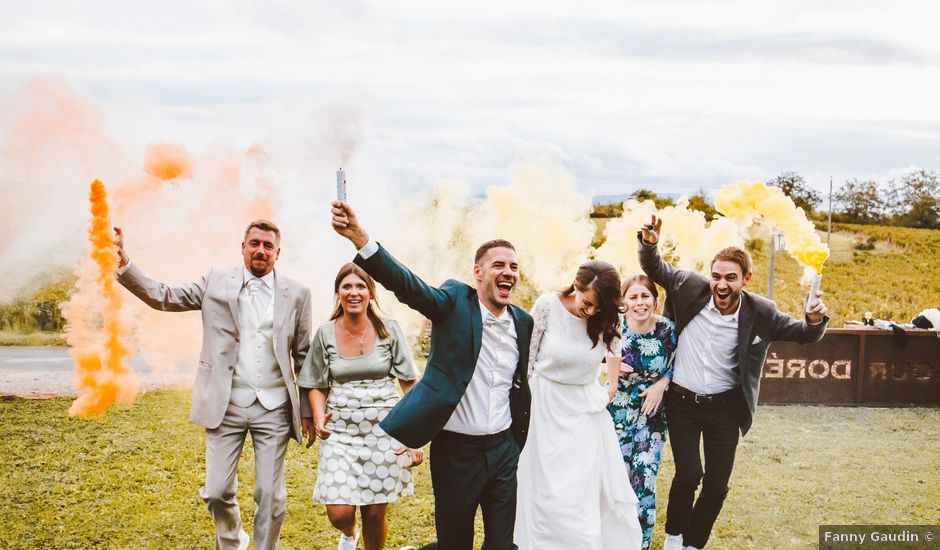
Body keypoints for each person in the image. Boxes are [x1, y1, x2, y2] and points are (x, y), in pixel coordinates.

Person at [330, 200, 533, 550]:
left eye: (514, 266)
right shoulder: (453, 304)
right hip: (456, 452)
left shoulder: (523, 323)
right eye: (498, 264)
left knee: (502, 544)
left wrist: (514, 442)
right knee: (455, 544)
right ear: (478, 272)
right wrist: (361, 240)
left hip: (503, 450)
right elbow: (407, 285)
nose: (508, 272)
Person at [113, 220, 313, 550]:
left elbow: (302, 354)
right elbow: (164, 296)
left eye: (267, 245)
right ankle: (232, 542)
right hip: (225, 403)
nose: (260, 250)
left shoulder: (298, 293)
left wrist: (305, 408)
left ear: (278, 253)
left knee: (271, 494)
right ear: (243, 247)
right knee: (217, 491)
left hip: (274, 406)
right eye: (254, 243)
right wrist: (124, 262)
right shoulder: (215, 279)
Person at [637, 215, 829, 550]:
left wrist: (814, 320)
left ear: (746, 279)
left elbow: (803, 334)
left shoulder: (761, 311)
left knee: (716, 484)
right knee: (689, 474)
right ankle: (674, 537)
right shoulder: (687, 286)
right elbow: (656, 269)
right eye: (716, 276)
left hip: (725, 409)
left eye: (730, 278)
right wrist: (650, 245)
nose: (721, 285)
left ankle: (694, 544)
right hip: (681, 402)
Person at [515, 261, 642, 550]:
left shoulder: (606, 316)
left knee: (579, 494)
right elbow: (527, 359)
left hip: (584, 412)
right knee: (544, 491)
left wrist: (611, 387)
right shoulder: (547, 305)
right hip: (544, 407)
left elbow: (614, 348)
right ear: (576, 284)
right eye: (588, 302)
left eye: (599, 307)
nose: (592, 311)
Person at [298, 263, 424, 550]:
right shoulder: (325, 333)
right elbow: (315, 383)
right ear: (338, 293)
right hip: (340, 432)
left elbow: (409, 384)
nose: (354, 292)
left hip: (385, 431)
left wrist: (414, 435)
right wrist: (319, 417)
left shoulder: (390, 330)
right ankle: (348, 533)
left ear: (370, 292)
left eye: (360, 286)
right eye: (347, 286)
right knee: (339, 512)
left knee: (375, 512)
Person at [607, 275, 678, 550]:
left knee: (644, 482)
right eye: (633, 297)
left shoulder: (667, 330)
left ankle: (641, 544)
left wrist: (662, 384)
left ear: (654, 299)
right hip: (617, 412)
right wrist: (606, 368)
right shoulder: (613, 328)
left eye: (645, 296)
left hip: (652, 417)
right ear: (623, 302)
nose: (640, 303)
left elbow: (678, 365)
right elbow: (588, 361)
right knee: (617, 481)